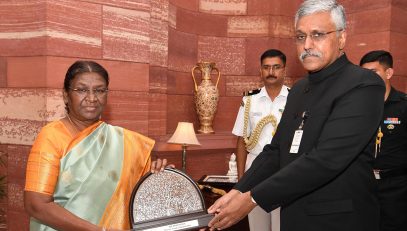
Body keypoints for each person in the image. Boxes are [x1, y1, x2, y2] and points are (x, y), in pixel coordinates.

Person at [206, 0, 385, 230]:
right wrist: (239, 189)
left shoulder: (363, 84)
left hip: (339, 221)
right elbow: (276, 150)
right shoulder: (300, 89)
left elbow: (325, 160)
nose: (307, 45)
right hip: (294, 218)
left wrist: (252, 198)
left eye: (318, 35)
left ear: (341, 38)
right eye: (300, 37)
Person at [24, 60, 171, 231]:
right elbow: (36, 205)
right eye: (82, 90)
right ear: (65, 95)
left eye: (99, 90)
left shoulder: (125, 141)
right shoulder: (52, 136)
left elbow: (141, 199)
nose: (92, 98)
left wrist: (158, 176)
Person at [232, 49, 289, 231]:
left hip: (285, 170)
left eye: (276, 67)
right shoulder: (250, 100)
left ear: (284, 70)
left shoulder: (296, 98)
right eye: (266, 67)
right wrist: (242, 181)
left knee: (282, 225)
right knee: (258, 227)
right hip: (255, 172)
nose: (271, 72)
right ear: (261, 71)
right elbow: (241, 141)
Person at [360, 50, 407, 231]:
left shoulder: (403, 105)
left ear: (389, 73)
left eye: (373, 72)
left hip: (396, 188)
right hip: (364, 184)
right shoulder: (358, 106)